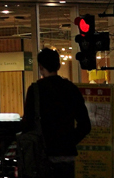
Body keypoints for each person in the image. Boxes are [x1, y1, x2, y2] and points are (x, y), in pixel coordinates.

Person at [21, 48, 91, 178]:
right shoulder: (71, 88)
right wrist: (69, 140)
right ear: (58, 66)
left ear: (40, 67)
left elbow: (28, 123)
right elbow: (85, 125)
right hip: (66, 154)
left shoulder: (35, 90)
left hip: (42, 153)